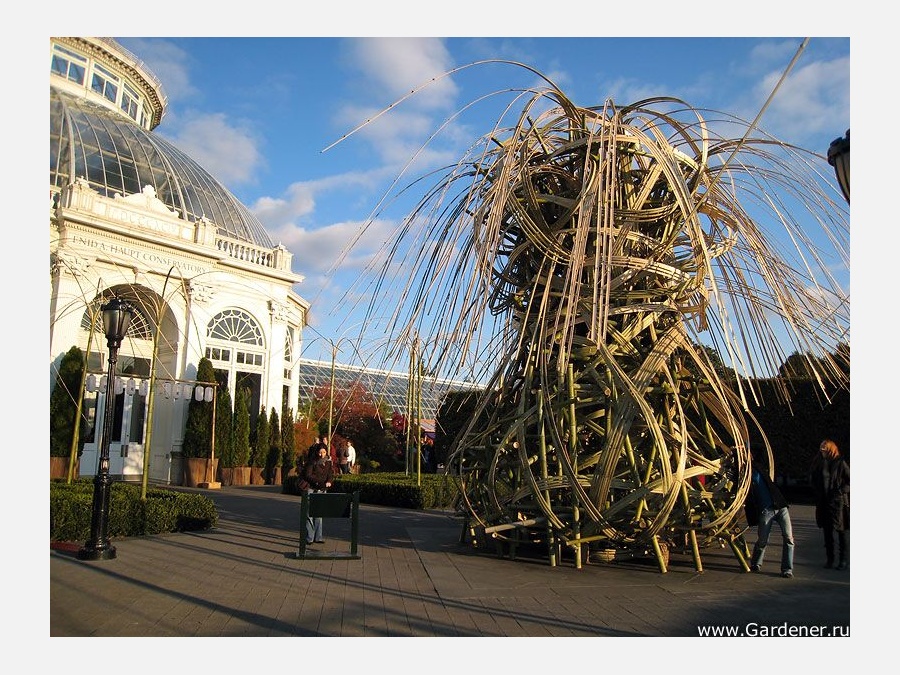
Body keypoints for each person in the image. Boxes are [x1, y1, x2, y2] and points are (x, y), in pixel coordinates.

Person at [744, 461, 794, 578]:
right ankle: (756, 563)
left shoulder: (759, 467)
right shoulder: (745, 476)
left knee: (789, 538)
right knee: (762, 539)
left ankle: (787, 569)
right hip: (766, 510)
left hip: (780, 506)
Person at [810, 439, 850, 570]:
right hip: (824, 502)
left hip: (837, 503)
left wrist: (839, 491)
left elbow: (849, 481)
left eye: (825, 449)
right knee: (827, 533)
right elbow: (814, 477)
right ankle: (830, 559)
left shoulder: (840, 463)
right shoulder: (819, 462)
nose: (822, 451)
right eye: (821, 449)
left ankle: (843, 560)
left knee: (840, 531)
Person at [302, 444, 335, 545]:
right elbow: (308, 475)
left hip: (322, 489)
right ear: (317, 452)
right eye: (320, 452)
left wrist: (329, 481)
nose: (322, 455)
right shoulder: (312, 461)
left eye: (324, 452)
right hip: (312, 488)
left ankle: (318, 537)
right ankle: (310, 537)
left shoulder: (328, 462)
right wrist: (318, 482)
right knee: (309, 514)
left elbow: (330, 473)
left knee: (319, 513)